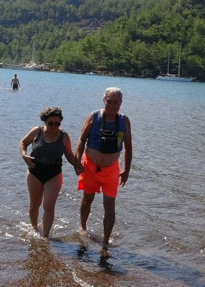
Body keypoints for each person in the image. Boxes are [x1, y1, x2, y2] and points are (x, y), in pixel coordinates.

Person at [75, 87, 132, 248]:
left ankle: (106, 241)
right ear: (104, 101)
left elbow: (128, 147)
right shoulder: (93, 117)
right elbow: (81, 141)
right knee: (87, 199)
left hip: (111, 170)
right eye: (109, 102)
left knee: (110, 205)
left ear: (120, 103)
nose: (112, 106)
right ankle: (83, 227)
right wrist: (77, 161)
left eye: (116, 102)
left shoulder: (124, 121)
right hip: (90, 167)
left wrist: (127, 170)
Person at [19, 107, 80, 238]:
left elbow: (69, 154)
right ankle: (34, 228)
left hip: (54, 174)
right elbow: (23, 143)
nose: (54, 126)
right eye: (50, 123)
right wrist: (24, 155)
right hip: (35, 171)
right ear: (44, 122)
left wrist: (77, 165)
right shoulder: (37, 131)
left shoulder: (64, 136)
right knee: (34, 205)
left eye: (57, 123)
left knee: (49, 206)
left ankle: (45, 237)